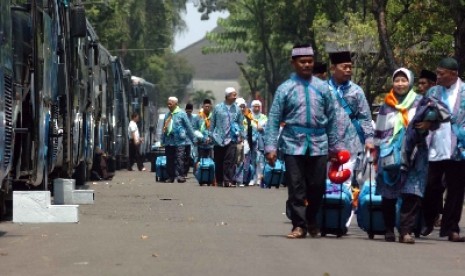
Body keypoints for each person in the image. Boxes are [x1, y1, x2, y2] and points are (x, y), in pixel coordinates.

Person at [264, 43, 342, 239]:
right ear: (294, 63)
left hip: (319, 143)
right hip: (292, 143)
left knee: (317, 186)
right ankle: (299, 225)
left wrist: (335, 147)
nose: (307, 65)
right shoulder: (285, 89)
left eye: (310, 61)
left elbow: (333, 118)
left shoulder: (323, 88)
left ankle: (312, 218)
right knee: (296, 186)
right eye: (302, 62)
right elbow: (273, 119)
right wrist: (270, 147)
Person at [373, 68, 431, 243]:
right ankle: (389, 229)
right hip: (390, 153)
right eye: (397, 80)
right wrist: (377, 154)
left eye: (403, 80)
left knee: (412, 193)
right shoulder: (386, 104)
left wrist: (428, 124)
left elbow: (434, 123)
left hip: (415, 153)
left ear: (410, 82)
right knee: (389, 192)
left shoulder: (421, 102)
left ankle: (406, 231)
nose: (400, 84)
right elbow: (380, 131)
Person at [421, 57, 465, 242]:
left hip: (459, 147)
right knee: (431, 186)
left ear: (454, 74)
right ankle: (429, 220)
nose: (437, 77)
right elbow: (422, 113)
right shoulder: (433, 92)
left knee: (456, 189)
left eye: (441, 73)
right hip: (436, 144)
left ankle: (451, 228)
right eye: (437, 73)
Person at [328, 51, 374, 188]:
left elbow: (365, 116)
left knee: (345, 183)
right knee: (327, 184)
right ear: (333, 68)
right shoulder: (323, 90)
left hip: (351, 145)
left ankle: (346, 209)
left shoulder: (356, 91)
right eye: (344, 67)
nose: (348, 70)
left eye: (350, 67)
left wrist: (369, 139)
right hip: (327, 147)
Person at [210, 87, 244, 187]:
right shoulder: (218, 108)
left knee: (229, 160)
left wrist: (242, 135)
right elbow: (212, 123)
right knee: (219, 160)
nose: (235, 97)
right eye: (233, 95)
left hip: (232, 138)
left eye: (236, 95)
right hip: (218, 138)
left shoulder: (237, 109)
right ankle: (219, 180)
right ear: (227, 96)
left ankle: (227, 180)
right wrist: (210, 135)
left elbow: (240, 124)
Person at [161, 97, 195, 183]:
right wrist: (162, 140)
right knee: (170, 159)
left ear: (176, 104)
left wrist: (193, 139)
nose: (168, 105)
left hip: (179, 141)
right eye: (168, 103)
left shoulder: (181, 114)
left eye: (170, 103)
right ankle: (171, 176)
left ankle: (180, 176)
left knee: (180, 158)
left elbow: (188, 127)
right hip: (169, 141)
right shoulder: (167, 115)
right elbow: (164, 128)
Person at [183, 103, 195, 177]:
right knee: (181, 157)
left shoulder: (193, 119)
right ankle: (181, 172)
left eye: (190, 110)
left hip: (189, 142)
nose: (189, 111)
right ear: (185, 110)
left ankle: (185, 173)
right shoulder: (183, 117)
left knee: (187, 158)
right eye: (188, 110)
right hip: (182, 141)